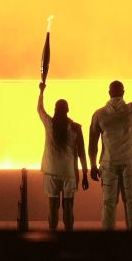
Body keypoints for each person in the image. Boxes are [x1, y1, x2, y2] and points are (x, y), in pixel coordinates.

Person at [86, 73, 132, 230]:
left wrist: (92, 165)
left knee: (108, 203)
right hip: (130, 163)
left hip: (108, 164)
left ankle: (108, 238)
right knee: (131, 201)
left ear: (109, 93)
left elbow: (92, 143)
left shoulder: (99, 114)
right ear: (123, 92)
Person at [34, 82, 87, 232]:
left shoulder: (50, 124)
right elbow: (82, 152)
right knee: (68, 206)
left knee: (53, 205)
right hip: (69, 173)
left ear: (55, 110)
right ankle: (68, 234)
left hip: (51, 172)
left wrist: (41, 91)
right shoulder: (76, 128)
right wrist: (84, 174)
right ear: (68, 110)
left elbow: (39, 109)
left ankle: (52, 234)